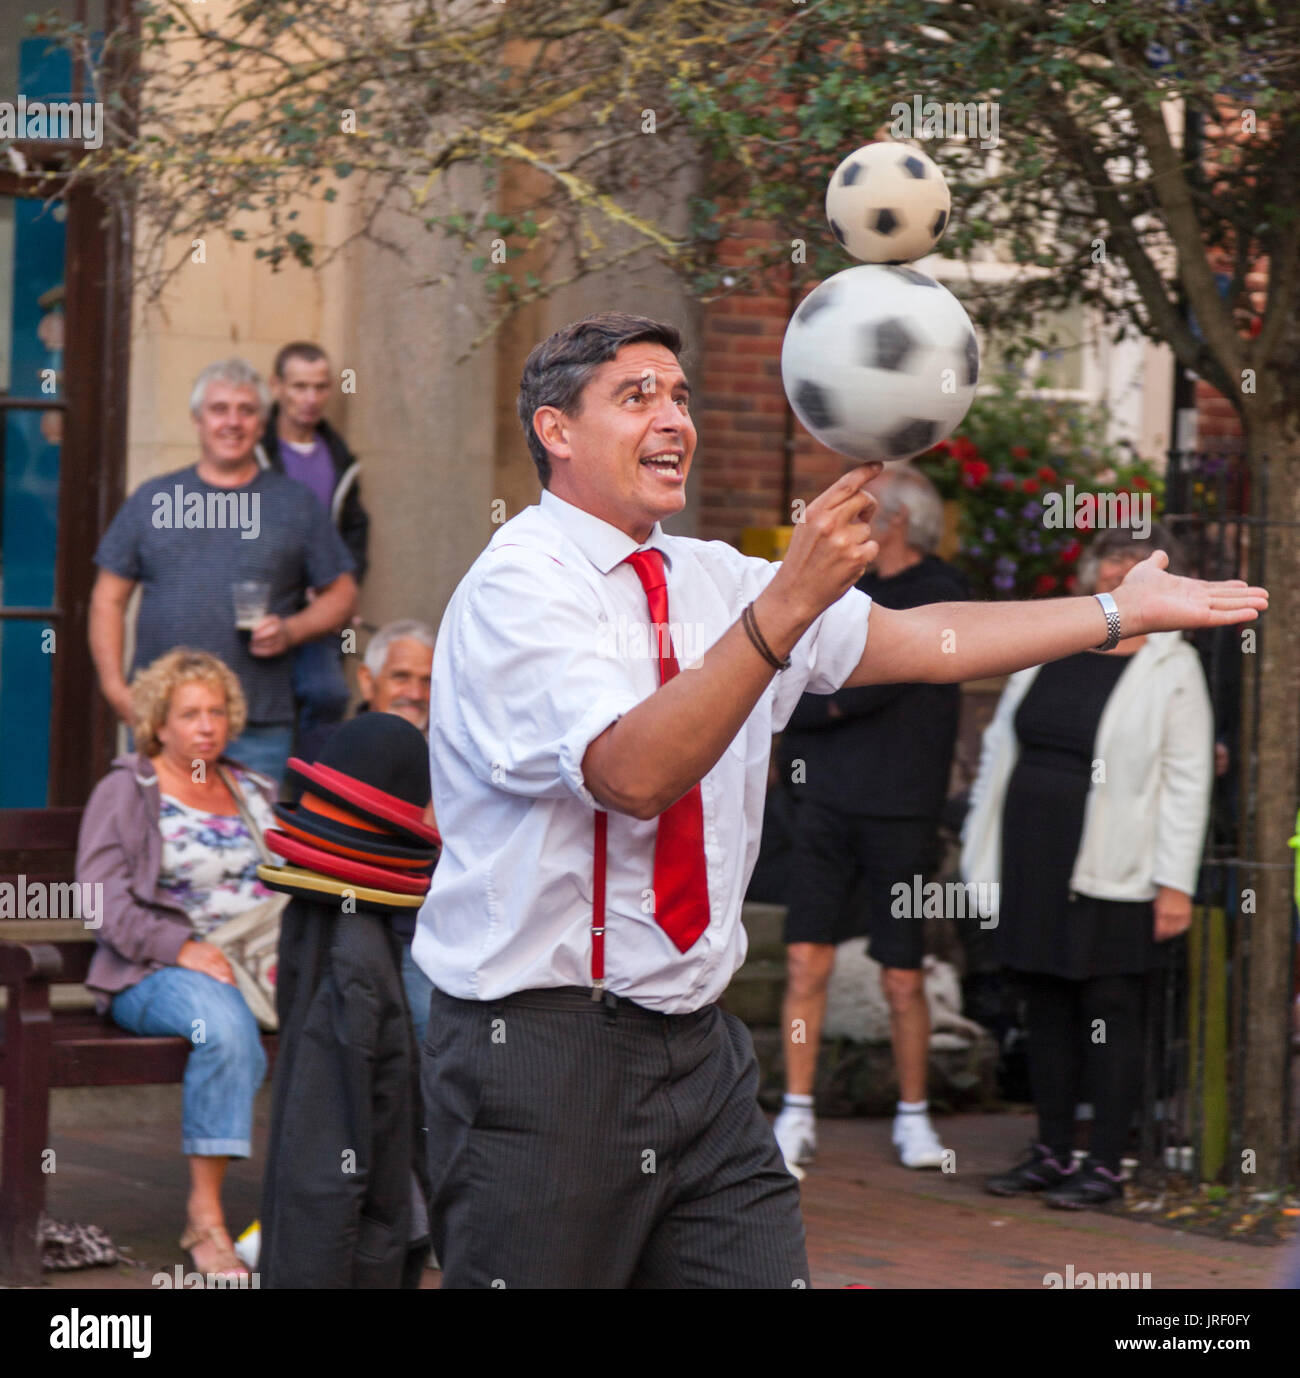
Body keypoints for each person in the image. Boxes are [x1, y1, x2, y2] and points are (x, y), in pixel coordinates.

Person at [413, 311, 1264, 1288]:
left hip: (699, 1050)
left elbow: (926, 638)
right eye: (636, 394)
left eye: (680, 394)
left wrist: (1116, 614)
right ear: (554, 430)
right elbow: (630, 774)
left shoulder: (709, 576)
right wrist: (784, 606)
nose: (673, 416)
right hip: (544, 1053)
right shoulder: (520, 586)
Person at [963, 523, 1215, 1208]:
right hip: (1032, 853)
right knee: (1042, 999)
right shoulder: (1054, 640)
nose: (1122, 567)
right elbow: (998, 753)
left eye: (1140, 559)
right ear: (1091, 570)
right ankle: (1050, 1150)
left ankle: (1104, 1162)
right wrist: (977, 854)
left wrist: (1174, 884)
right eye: (1112, 555)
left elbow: (1188, 780)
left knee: (1109, 1006)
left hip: (1116, 863)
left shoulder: (1173, 664)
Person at [773, 465, 970, 1176]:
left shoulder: (940, 595)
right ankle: (796, 1112)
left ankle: (913, 1117)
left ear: (896, 523)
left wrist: (817, 706)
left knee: (902, 974)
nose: (854, 520)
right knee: (803, 960)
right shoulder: (841, 592)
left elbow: (866, 677)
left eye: (867, 511)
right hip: (825, 804)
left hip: (901, 812)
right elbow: (796, 670)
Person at [77, 649, 279, 1280]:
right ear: (158, 724)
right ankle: (206, 1219)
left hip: (261, 965)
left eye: (217, 711)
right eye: (189, 713)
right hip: (153, 973)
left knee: (363, 1019)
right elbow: (97, 900)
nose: (206, 725)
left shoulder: (254, 790)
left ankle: (333, 1208)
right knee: (220, 1027)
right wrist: (182, 950)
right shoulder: (126, 789)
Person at [89, 358, 358, 790]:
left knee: (253, 847)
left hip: (257, 723)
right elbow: (108, 597)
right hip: (163, 721)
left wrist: (291, 630)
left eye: (246, 410)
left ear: (262, 422)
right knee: (155, 845)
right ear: (197, 420)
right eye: (219, 409)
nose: (232, 422)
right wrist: (116, 689)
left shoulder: (296, 504)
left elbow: (342, 593)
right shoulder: (155, 499)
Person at [292, 617, 438, 1042]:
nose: (415, 693)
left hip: (432, 931)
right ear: (367, 681)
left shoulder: (454, 750)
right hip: (348, 923)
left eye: (428, 681)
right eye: (401, 677)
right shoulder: (328, 744)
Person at [258, 341, 370, 739]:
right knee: (263, 705)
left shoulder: (341, 459)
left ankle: (310, 800)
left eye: (320, 387)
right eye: (299, 386)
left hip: (320, 611)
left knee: (327, 696)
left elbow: (354, 532)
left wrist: (346, 588)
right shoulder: (253, 451)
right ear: (277, 386)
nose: (310, 398)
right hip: (263, 605)